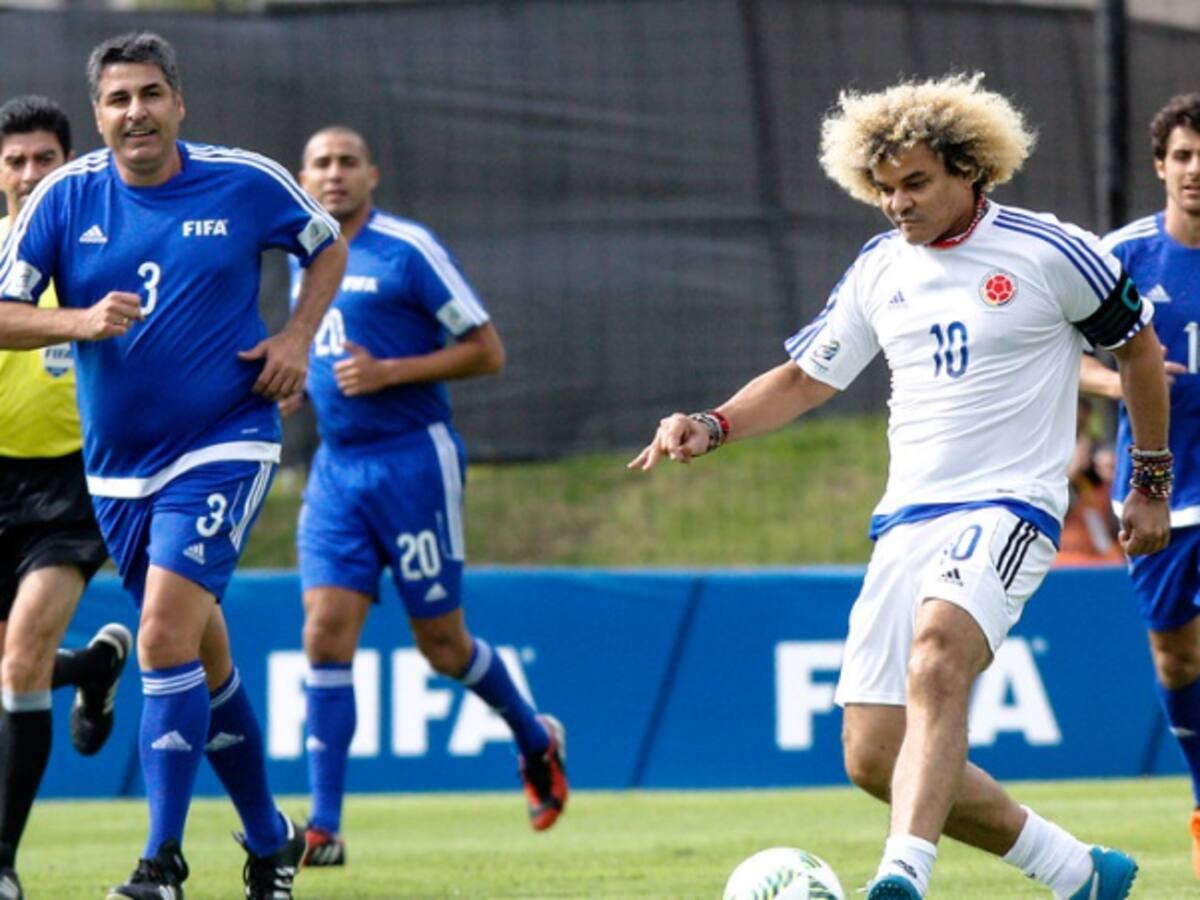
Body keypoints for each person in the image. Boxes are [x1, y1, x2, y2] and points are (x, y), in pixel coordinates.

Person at [630, 74, 1170, 900]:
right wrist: (713, 423)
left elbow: (1137, 354)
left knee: (936, 658)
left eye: (916, 183)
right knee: (874, 754)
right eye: (882, 188)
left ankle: (901, 877)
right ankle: (1077, 871)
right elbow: (806, 379)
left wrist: (1149, 481)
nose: (897, 204)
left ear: (971, 171)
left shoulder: (1049, 251)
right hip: (908, 519)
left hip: (1010, 506)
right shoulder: (880, 268)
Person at [0, 33, 348, 900]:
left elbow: (326, 243)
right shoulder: (60, 199)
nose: (136, 112)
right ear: (99, 115)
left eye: (150, 94)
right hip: (118, 471)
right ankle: (270, 840)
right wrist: (78, 322)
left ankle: (162, 863)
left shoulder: (243, 179)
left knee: (159, 636)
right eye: (118, 100)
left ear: (178, 103)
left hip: (226, 441)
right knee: (202, 656)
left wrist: (297, 338)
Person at [283, 126, 567, 866]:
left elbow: (487, 351)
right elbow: (324, 351)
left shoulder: (406, 249)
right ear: (302, 176)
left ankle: (536, 739)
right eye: (321, 163)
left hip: (414, 463)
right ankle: (325, 827)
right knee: (323, 634)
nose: (334, 174)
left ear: (372, 174)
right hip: (337, 472)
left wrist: (389, 373)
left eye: (348, 162)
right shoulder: (302, 258)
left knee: (441, 646)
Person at [0, 94, 134, 900]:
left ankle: (3, 861)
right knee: (12, 662)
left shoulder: (100, 246)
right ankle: (91, 667)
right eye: (14, 160)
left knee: (18, 660)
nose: (27, 173)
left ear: (70, 162)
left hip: (73, 479)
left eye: (43, 158)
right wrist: (76, 324)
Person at [1080, 92, 1200, 878]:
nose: (1197, 171)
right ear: (1160, 166)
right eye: (1184, 157)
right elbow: (1054, 352)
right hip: (1163, 488)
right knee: (1177, 662)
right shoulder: (1119, 254)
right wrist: (1128, 383)